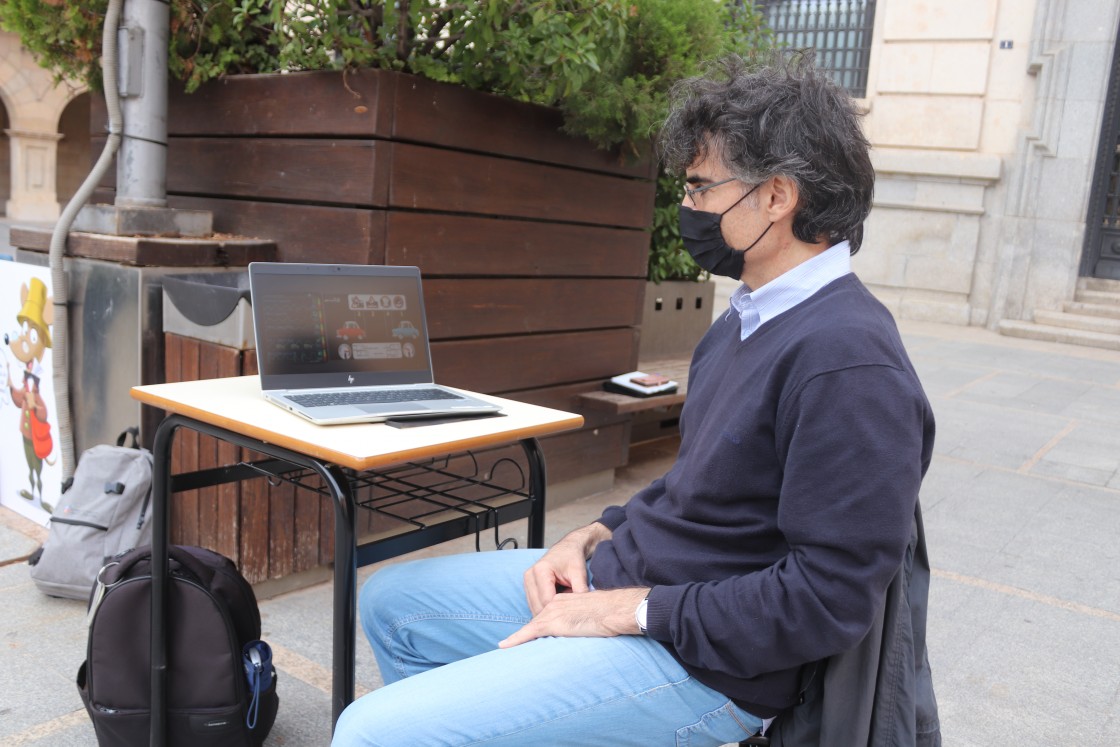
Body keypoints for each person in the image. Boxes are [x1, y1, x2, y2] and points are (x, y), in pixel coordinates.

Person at [332, 53, 937, 747]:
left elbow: (827, 600)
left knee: (371, 731)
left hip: (706, 665)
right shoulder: (750, 316)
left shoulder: (850, 363)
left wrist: (629, 610)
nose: (688, 208)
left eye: (702, 187)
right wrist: (591, 534)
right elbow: (701, 486)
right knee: (391, 604)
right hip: (630, 583)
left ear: (777, 196)